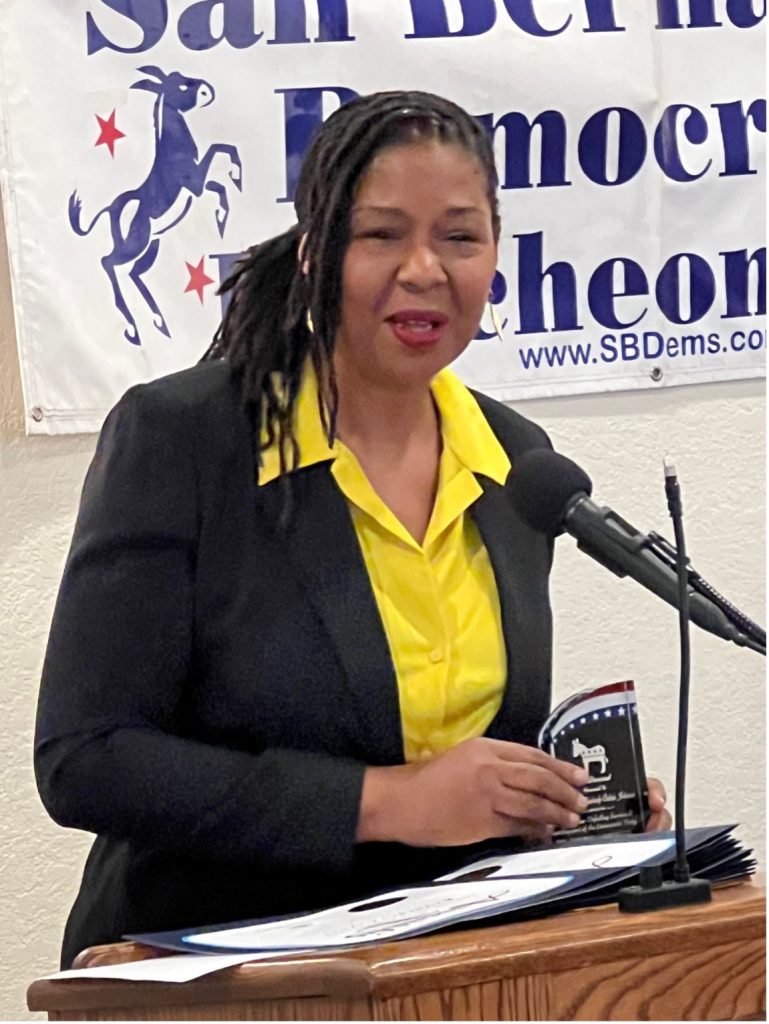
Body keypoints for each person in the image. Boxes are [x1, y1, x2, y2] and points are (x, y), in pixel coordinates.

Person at [35, 90, 670, 969]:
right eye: (380, 235)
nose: (422, 270)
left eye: (459, 236)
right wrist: (384, 802)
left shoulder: (515, 463)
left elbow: (461, 760)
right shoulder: (185, 440)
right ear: (313, 252)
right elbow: (87, 759)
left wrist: (561, 812)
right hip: (219, 971)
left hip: (442, 973)